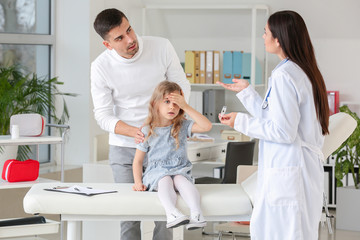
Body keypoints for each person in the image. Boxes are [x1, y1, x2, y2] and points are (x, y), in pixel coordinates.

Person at [217, 10, 329, 240]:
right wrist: (247, 93)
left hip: (290, 173)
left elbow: (283, 131)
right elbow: (276, 119)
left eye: (265, 32)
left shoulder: (285, 75)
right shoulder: (301, 70)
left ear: (279, 38)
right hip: (297, 171)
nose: (263, 37)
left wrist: (241, 121)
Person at [90, 8, 191, 240]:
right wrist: (135, 131)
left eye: (129, 29)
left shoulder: (161, 47)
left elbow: (183, 87)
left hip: (163, 145)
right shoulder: (100, 67)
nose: (130, 39)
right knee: (130, 215)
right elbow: (103, 115)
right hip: (125, 149)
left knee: (167, 213)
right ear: (108, 45)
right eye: (120, 38)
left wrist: (164, 123)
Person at [132, 81, 212, 230]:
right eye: (167, 102)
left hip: (179, 169)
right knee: (165, 180)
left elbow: (206, 126)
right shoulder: (147, 130)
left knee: (181, 179)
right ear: (156, 103)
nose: (172, 107)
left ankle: (197, 213)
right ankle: (172, 213)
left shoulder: (182, 126)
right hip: (157, 173)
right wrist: (138, 182)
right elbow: (138, 161)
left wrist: (186, 106)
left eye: (176, 104)